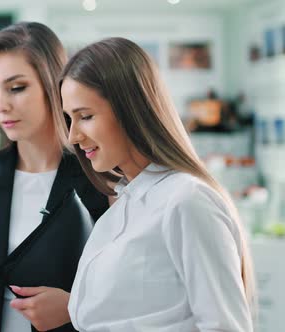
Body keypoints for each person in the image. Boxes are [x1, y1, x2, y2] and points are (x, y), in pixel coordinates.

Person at [60, 37, 255, 331]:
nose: (73, 136)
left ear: (131, 109)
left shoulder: (186, 199)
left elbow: (224, 326)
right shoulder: (123, 206)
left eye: (85, 116)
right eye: (69, 119)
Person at [0, 22, 109, 332]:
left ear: (53, 85)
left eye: (17, 87)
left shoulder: (103, 177)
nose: (1, 106)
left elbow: (135, 294)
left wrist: (74, 307)